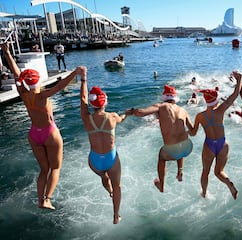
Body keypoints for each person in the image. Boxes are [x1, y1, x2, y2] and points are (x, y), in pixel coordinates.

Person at [1, 41, 85, 210]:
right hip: (49, 133)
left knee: (43, 170)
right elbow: (60, 86)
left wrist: (7, 53)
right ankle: (47, 199)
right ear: (39, 80)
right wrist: (75, 72)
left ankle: (40, 199)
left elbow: (17, 74)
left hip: (34, 134)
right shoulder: (43, 95)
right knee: (55, 168)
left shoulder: (23, 93)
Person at [80, 76, 130, 224]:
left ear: (92, 103)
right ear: (105, 102)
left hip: (94, 161)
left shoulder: (86, 118)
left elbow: (82, 98)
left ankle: (108, 190)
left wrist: (83, 80)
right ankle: (116, 215)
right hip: (111, 158)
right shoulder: (112, 117)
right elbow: (122, 118)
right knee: (118, 185)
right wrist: (127, 113)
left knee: (104, 177)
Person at [188, 71, 242, 200]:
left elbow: (193, 133)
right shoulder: (220, 111)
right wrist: (240, 80)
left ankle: (204, 193)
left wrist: (185, 126)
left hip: (209, 145)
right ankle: (229, 183)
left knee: (205, 172)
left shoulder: (200, 116)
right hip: (223, 144)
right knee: (219, 172)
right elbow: (234, 95)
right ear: (216, 101)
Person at [130, 85, 194, 192]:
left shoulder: (160, 106)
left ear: (164, 97)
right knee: (179, 144)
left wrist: (131, 111)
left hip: (174, 150)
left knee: (162, 156)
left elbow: (140, 113)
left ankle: (161, 185)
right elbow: (192, 131)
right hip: (187, 147)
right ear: (175, 98)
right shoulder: (183, 110)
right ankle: (180, 172)